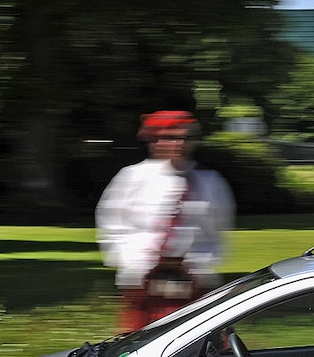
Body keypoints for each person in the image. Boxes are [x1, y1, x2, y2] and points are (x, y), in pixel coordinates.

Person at [96, 110, 235, 332]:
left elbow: (216, 231)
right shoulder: (132, 177)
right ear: (155, 141)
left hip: (191, 282)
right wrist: (135, 263)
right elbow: (112, 224)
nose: (179, 144)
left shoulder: (210, 182)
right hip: (145, 281)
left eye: (186, 138)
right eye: (171, 137)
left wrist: (197, 267)